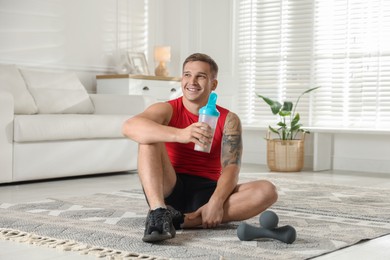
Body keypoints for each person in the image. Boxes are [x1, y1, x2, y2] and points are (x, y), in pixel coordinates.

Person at [122, 53, 278, 243]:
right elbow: (129, 126)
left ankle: (185, 220)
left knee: (267, 190)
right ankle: (158, 212)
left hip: (207, 191)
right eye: (187, 75)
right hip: (169, 187)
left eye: (201, 76)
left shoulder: (229, 119)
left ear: (213, 84)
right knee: (147, 137)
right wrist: (181, 134)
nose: (192, 81)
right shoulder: (167, 109)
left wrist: (217, 201)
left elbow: (231, 168)